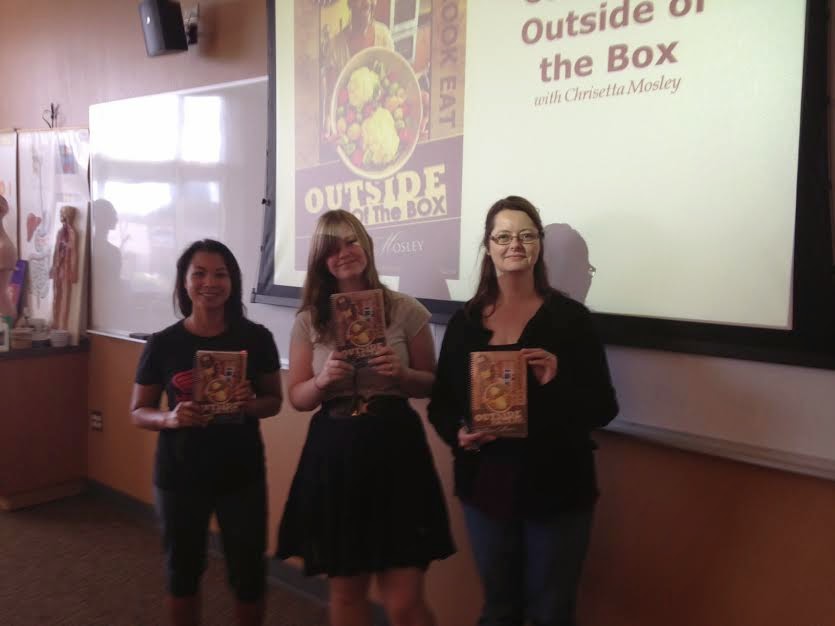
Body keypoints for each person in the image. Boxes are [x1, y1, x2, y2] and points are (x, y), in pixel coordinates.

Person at [427, 196, 619, 626]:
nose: (515, 244)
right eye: (504, 236)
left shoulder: (572, 320)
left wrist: (558, 379)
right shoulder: (465, 323)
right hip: (486, 485)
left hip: (558, 487)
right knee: (500, 608)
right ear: (488, 246)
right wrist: (457, 432)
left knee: (551, 612)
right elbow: (442, 404)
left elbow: (604, 408)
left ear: (538, 245)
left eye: (526, 235)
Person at [276, 209, 454, 626]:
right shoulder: (310, 320)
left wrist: (402, 374)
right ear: (321, 260)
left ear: (367, 245)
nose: (344, 253)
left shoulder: (406, 310)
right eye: (332, 248)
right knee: (347, 594)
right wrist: (322, 381)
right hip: (336, 452)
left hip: (396, 449)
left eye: (352, 241)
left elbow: (432, 384)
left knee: (404, 601)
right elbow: (297, 397)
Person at [130, 239, 282, 626]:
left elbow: (274, 402)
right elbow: (138, 411)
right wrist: (169, 419)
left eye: (220, 274)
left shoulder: (257, 338)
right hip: (179, 476)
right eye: (199, 273)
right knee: (182, 573)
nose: (209, 283)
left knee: (249, 575)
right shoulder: (163, 343)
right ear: (184, 282)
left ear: (232, 282)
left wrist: (249, 403)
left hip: (241, 475)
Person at [49, 204, 79, 330]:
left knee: (65, 297)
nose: (61, 217)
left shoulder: (72, 233)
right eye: (60, 214)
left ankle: (63, 325)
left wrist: (73, 271)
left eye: (63, 214)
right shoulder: (60, 232)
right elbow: (56, 250)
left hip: (66, 269)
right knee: (56, 295)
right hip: (58, 267)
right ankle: (55, 322)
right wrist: (52, 267)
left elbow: (74, 253)